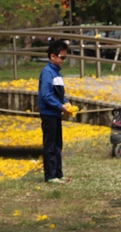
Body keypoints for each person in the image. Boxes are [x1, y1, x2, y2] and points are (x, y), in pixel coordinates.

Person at [38, 38, 71, 184]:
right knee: (50, 145)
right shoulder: (47, 72)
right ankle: (50, 176)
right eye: (62, 57)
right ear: (53, 56)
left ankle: (58, 173)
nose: (63, 60)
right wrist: (60, 106)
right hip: (49, 114)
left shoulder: (57, 73)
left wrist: (65, 103)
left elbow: (59, 95)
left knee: (57, 144)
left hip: (56, 113)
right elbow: (46, 95)